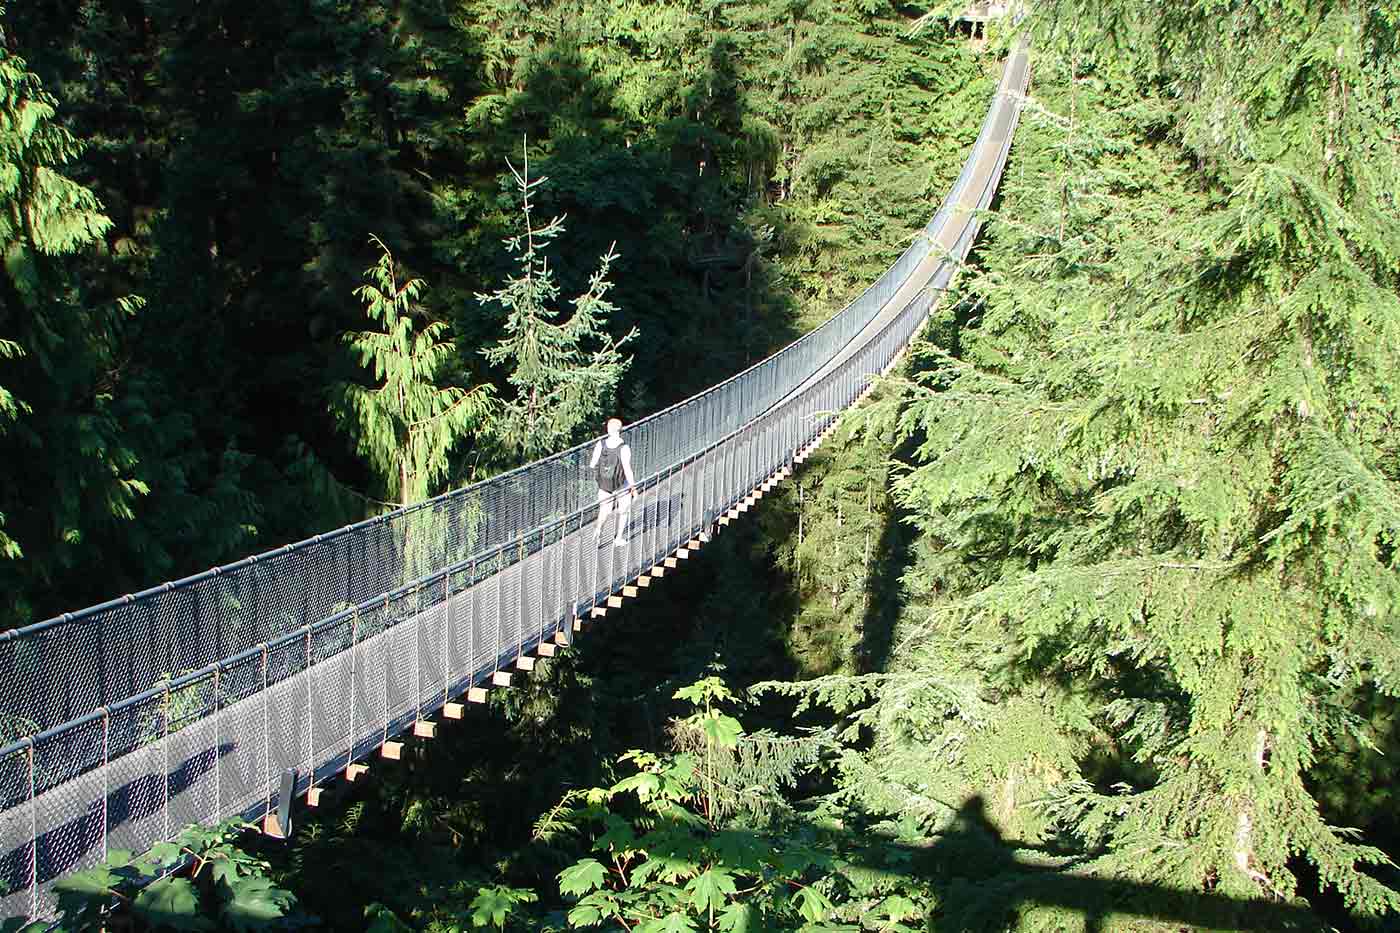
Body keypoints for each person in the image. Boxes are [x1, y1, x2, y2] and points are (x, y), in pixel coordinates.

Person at [590, 417, 636, 547]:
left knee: (605, 509)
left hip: (604, 483)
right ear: (620, 430)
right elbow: (627, 469)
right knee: (624, 510)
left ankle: (599, 529)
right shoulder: (624, 447)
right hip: (621, 483)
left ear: (608, 430)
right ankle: (618, 538)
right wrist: (633, 487)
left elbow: (593, 464)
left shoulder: (601, 444)